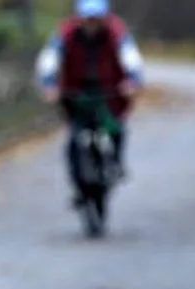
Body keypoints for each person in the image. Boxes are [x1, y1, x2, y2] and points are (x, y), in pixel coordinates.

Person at [36, 0, 144, 206]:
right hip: (76, 94)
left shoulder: (116, 32)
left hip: (109, 92)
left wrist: (132, 80)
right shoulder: (66, 33)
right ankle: (78, 187)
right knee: (74, 143)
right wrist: (48, 84)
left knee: (116, 129)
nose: (92, 24)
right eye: (88, 19)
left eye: (96, 19)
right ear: (79, 18)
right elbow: (49, 58)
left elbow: (130, 57)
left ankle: (116, 163)